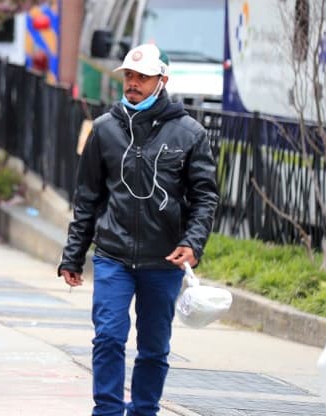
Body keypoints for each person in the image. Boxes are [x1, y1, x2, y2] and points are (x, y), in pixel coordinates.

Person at [59, 43, 218, 416]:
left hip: (164, 262)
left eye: (142, 77)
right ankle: (108, 411)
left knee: (154, 347)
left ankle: (145, 410)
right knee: (109, 338)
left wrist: (193, 243)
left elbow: (205, 197)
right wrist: (73, 256)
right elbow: (87, 199)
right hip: (113, 256)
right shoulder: (104, 130)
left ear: (162, 80)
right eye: (129, 76)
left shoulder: (190, 133)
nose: (133, 84)